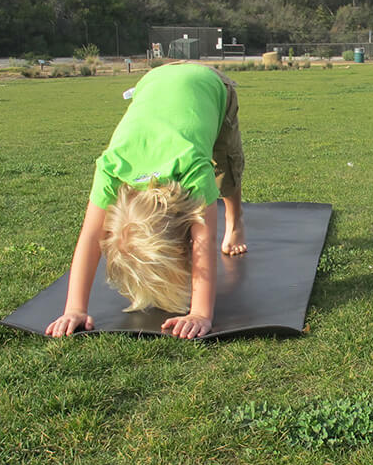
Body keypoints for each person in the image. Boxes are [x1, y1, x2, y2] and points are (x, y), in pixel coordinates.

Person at [45, 63, 246, 340]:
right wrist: (75, 308)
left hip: (211, 84)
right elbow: (90, 238)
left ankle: (236, 222)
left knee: (227, 169)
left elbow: (205, 240)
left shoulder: (191, 167)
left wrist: (200, 313)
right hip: (154, 81)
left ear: (183, 239)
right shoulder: (111, 167)